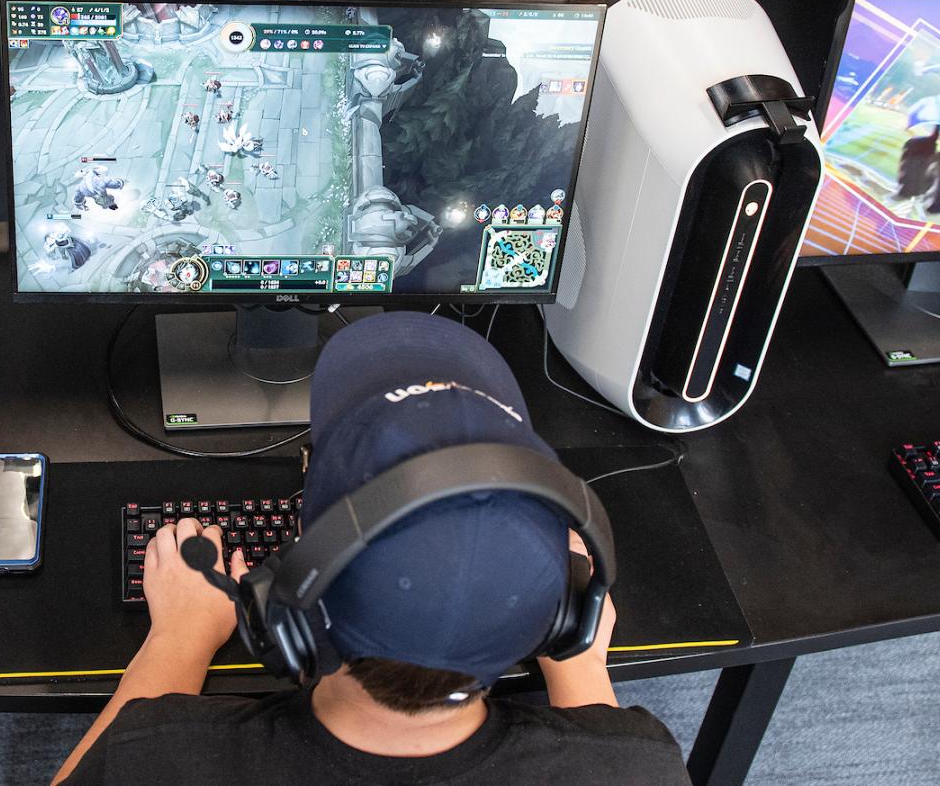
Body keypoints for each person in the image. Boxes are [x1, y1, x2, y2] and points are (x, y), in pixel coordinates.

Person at [54, 313, 690, 784]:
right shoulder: (640, 766)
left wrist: (181, 637)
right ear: (566, 614)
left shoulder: (159, 759)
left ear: (295, 603)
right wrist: (581, 672)